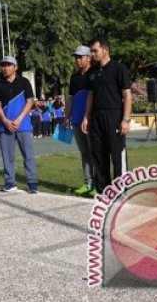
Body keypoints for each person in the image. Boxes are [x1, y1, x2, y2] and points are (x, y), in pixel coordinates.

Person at [81, 37, 132, 194]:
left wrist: (125, 119)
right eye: (91, 51)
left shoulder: (119, 68)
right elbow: (90, 95)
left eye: (95, 51)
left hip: (114, 115)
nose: (93, 54)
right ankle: (104, 191)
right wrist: (86, 116)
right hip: (96, 117)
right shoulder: (93, 72)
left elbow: (127, 95)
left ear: (105, 50)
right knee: (99, 155)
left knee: (117, 155)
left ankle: (121, 191)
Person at [0, 56, 38, 194]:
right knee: (7, 157)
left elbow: (30, 101)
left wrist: (18, 120)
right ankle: (10, 182)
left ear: (15, 67)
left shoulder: (24, 82)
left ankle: (32, 183)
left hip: (23, 124)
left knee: (28, 155)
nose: (5, 68)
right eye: (3, 65)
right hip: (4, 126)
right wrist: (5, 121)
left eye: (8, 65)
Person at [65, 45, 96, 197]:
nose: (77, 60)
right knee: (84, 152)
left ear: (89, 57)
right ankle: (88, 183)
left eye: (80, 57)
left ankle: (98, 184)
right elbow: (71, 98)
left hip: (91, 120)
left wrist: (88, 116)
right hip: (76, 120)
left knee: (95, 152)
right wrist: (66, 116)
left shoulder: (95, 74)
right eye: (76, 57)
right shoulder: (74, 77)